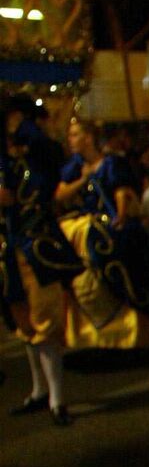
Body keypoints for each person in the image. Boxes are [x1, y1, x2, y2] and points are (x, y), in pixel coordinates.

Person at [56, 118, 149, 348]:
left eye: (75, 134)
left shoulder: (111, 163)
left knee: (109, 248)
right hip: (83, 221)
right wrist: (82, 180)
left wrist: (120, 214)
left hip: (106, 219)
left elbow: (121, 191)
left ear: (88, 138)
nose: (70, 140)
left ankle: (132, 322)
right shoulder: (75, 166)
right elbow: (60, 194)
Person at [1, 94, 83, 425]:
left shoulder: (37, 149)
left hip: (37, 245)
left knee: (46, 321)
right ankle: (39, 392)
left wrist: (23, 126)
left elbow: (46, 172)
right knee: (24, 325)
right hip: (11, 249)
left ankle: (57, 400)